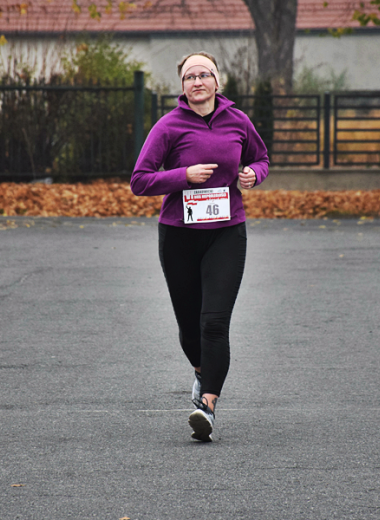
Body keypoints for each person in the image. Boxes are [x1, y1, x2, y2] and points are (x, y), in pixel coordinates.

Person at [130, 51, 270, 442]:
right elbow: (140, 180)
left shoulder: (238, 121)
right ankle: (200, 371)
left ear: (216, 81)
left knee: (214, 321)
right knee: (190, 326)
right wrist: (183, 176)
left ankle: (206, 404)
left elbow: (261, 158)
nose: (197, 82)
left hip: (227, 232)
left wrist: (252, 175)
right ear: (182, 86)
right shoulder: (168, 126)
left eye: (204, 74)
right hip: (178, 235)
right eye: (189, 76)